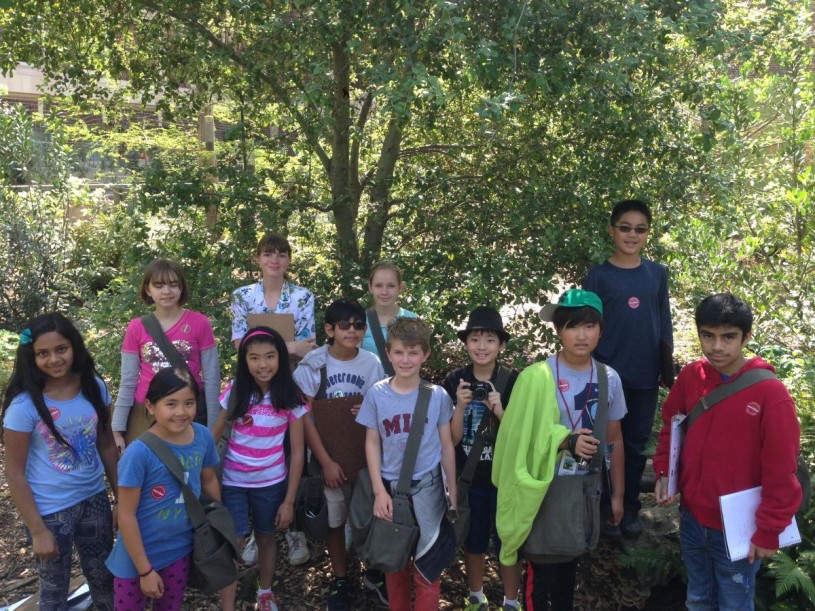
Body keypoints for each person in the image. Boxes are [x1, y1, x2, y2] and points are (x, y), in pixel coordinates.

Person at [653, 293, 801, 610]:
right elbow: (672, 427)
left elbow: (781, 470)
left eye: (728, 337)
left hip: (739, 527)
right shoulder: (692, 376)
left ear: (746, 337)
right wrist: (665, 473)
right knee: (698, 599)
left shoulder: (769, 393)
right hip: (692, 517)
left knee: (734, 603)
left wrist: (768, 531)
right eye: (708, 335)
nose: (717, 347)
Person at [517, 289, 626, 610]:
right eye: (572, 326)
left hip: (584, 489)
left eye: (589, 326)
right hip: (542, 488)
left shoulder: (610, 379)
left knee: (568, 574)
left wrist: (618, 496)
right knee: (539, 574)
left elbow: (615, 439)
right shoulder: (538, 376)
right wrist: (565, 439)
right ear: (558, 330)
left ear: (601, 330)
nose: (581, 335)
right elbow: (521, 435)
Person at [2, 312, 117, 611]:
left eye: (61, 349)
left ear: (74, 347)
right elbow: (14, 473)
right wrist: (38, 531)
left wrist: (122, 499)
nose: (54, 359)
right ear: (32, 356)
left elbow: (106, 445)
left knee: (105, 579)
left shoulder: (94, 387)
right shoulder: (24, 405)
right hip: (50, 511)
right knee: (54, 590)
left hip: (94, 500)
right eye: (43, 353)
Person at [582, 199, 673, 538]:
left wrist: (667, 370)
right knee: (602, 443)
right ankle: (604, 507)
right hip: (606, 376)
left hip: (645, 376)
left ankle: (630, 507)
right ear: (611, 230)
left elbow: (664, 323)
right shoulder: (598, 276)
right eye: (625, 227)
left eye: (640, 229)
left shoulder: (656, 274)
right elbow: (583, 324)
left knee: (634, 445)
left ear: (647, 234)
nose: (632, 235)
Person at [356, 317, 458, 611]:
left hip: (428, 489)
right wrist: (378, 491)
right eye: (399, 352)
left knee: (428, 566)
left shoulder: (436, 396)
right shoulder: (377, 394)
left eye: (413, 352)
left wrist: (452, 488)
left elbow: (446, 445)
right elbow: (372, 442)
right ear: (388, 353)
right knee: (394, 563)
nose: (405, 359)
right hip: (390, 491)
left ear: (425, 355)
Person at [293, 297, 387, 609]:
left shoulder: (371, 363)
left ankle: (373, 571)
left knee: (368, 516)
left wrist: (370, 408)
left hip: (364, 458)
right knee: (335, 522)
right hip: (328, 457)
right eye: (344, 325)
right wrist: (325, 462)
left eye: (359, 325)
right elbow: (303, 417)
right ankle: (340, 578)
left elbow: (380, 407)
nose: (352, 330)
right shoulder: (314, 364)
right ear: (330, 329)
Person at [230, 231, 316, 565]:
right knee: (254, 453)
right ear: (258, 259)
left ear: (289, 259)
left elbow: (308, 345)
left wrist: (269, 346)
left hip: (290, 386)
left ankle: (293, 528)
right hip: (252, 388)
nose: (274, 260)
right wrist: (285, 346)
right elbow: (240, 345)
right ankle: (257, 531)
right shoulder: (242, 296)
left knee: (293, 451)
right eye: (268, 254)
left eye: (281, 254)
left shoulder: (302, 297)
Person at [106, 367, 221, 611]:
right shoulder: (138, 453)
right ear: (150, 406)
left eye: (189, 403)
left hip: (178, 551)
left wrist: (216, 522)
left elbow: (209, 479)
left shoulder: (202, 437)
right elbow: (126, 514)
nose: (181, 412)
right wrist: (144, 570)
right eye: (171, 404)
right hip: (134, 558)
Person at [213, 328, 308, 611]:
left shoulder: (291, 396)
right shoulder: (236, 391)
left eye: (269, 356)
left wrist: (289, 501)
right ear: (245, 361)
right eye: (254, 358)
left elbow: (299, 451)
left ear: (281, 357)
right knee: (236, 541)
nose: (262, 364)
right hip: (232, 482)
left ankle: (265, 593)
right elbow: (215, 436)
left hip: (271, 484)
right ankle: (227, 604)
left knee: (267, 537)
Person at [442, 306, 522, 611]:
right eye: (475, 339)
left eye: (489, 340)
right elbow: (450, 440)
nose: (481, 347)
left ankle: (511, 600)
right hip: (469, 478)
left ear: (501, 345)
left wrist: (499, 409)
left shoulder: (513, 380)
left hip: (504, 478)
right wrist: (460, 407)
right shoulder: (455, 380)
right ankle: (475, 596)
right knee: (473, 541)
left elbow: (519, 438)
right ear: (466, 344)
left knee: (508, 543)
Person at [112, 258, 220, 453]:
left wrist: (213, 427)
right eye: (159, 285)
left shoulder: (200, 323)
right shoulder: (137, 327)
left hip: (187, 412)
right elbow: (127, 380)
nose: (166, 291)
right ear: (147, 289)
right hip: (147, 413)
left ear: (181, 288)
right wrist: (117, 429)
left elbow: (212, 379)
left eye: (173, 284)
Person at [362, 261, 417, 372]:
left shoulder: (412, 320)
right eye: (378, 285)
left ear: (400, 287)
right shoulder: (359, 321)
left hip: (400, 387)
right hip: (367, 387)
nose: (384, 292)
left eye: (391, 286)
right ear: (370, 287)